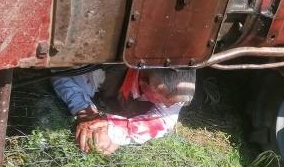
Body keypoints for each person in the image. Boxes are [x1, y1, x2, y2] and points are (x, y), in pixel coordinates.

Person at [52, 66, 196, 155]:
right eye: (161, 100)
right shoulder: (98, 74)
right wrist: (84, 110)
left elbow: (165, 121)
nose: (168, 107)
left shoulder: (177, 85)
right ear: (143, 83)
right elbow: (60, 75)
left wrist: (115, 132)